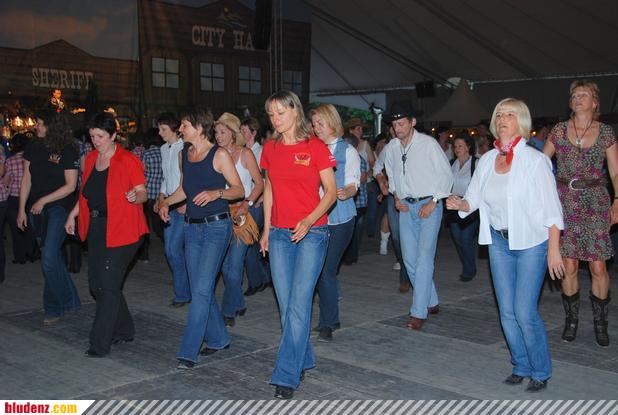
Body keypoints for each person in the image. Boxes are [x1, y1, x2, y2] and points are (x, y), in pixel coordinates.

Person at [447, 97, 564, 392]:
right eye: (499, 114)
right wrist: (460, 203)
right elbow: (473, 198)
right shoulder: (487, 160)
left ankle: (540, 369)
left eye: (509, 114)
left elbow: (552, 210)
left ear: (521, 121)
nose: (502, 119)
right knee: (507, 311)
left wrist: (553, 250)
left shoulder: (535, 161)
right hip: (498, 243)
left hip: (531, 243)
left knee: (524, 311)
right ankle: (520, 364)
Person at [260, 90, 336, 399]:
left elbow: (330, 192)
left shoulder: (315, 147)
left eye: (280, 113)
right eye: (271, 114)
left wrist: (308, 220)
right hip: (279, 234)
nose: (275, 119)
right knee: (286, 307)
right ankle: (302, 358)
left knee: (299, 305)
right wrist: (266, 229)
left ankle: (286, 375)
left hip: (312, 234)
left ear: (295, 112)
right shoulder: (270, 148)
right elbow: (269, 188)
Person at [158, 108, 243, 369]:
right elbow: (185, 188)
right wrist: (166, 202)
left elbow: (238, 189)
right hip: (191, 228)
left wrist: (217, 193)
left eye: (184, 125)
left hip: (217, 227)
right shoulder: (184, 154)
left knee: (202, 290)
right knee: (200, 289)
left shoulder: (219, 155)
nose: (180, 130)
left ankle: (188, 351)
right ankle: (218, 338)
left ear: (199, 127)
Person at [64, 111, 149, 357]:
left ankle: (99, 343)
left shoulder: (128, 160)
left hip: (125, 229)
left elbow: (143, 192)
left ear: (113, 135)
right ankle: (124, 328)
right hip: (97, 228)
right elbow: (86, 194)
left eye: (100, 136)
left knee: (108, 285)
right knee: (97, 285)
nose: (96, 141)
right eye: (92, 136)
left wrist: (135, 196)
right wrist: (72, 215)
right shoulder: (90, 159)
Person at [543, 80, 618, 347]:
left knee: (598, 266)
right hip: (564, 202)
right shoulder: (559, 130)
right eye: (575, 95)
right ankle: (571, 320)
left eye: (584, 95)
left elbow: (615, 171)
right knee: (569, 264)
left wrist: (617, 201)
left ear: (595, 102)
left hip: (596, 202)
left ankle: (600, 322)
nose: (578, 98)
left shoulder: (605, 132)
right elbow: (541, 163)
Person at [383, 101, 453, 331]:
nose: (397, 128)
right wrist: (396, 197)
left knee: (424, 259)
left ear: (412, 122)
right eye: (394, 124)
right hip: (406, 207)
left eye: (401, 123)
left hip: (428, 205)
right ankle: (431, 300)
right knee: (410, 261)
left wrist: (434, 201)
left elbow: (446, 174)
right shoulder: (392, 147)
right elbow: (391, 173)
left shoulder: (428, 144)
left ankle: (418, 312)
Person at [18, 110, 80, 326]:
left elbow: (71, 186)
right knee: (52, 259)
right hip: (36, 210)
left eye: (40, 123)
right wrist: (21, 209)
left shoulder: (67, 150)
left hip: (59, 209)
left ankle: (57, 305)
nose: (36, 126)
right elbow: (26, 179)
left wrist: (43, 201)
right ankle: (67, 301)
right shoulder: (32, 148)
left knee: (49, 258)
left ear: (52, 126)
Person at [310, 104, 360, 342]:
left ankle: (327, 322)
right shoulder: (311, 148)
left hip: (340, 219)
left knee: (325, 270)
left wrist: (346, 192)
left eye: (320, 123)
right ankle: (332, 317)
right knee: (319, 270)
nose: (316, 128)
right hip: (315, 218)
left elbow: (353, 183)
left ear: (332, 123)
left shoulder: (347, 151)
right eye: (314, 124)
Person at [214, 112, 264, 326]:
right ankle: (238, 303)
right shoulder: (215, 155)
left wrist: (247, 203)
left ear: (233, 133)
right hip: (220, 214)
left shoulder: (245, 153)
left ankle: (228, 312)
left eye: (222, 132)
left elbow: (260, 183)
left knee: (233, 267)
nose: (218, 136)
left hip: (242, 214)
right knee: (224, 267)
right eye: (216, 132)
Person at [156, 112, 190, 308]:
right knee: (170, 250)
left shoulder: (184, 148)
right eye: (159, 129)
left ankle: (183, 293)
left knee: (174, 249)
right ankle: (184, 289)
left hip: (182, 203)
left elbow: (187, 178)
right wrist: (161, 197)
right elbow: (166, 177)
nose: (160, 133)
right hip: (169, 203)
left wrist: (184, 200)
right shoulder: (163, 149)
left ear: (175, 129)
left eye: (163, 129)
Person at [240, 117, 271, 295]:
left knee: (248, 242)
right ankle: (263, 277)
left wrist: (259, 200)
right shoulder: (241, 151)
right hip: (246, 202)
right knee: (251, 243)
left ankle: (256, 281)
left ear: (253, 133)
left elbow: (266, 179)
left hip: (256, 203)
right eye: (241, 130)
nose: (241, 133)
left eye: (244, 131)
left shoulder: (260, 151)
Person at [447, 133, 479, 282]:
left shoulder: (476, 163)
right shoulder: (451, 163)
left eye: (460, 146)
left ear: (468, 147)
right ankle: (468, 265)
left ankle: (469, 270)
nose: (457, 149)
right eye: (455, 146)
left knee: (465, 238)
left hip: (469, 206)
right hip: (453, 206)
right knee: (457, 239)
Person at [4, 133, 38, 265]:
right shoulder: (32, 158)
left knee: (15, 228)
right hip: (30, 196)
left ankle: (20, 256)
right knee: (31, 225)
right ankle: (32, 253)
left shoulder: (10, 161)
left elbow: (6, 181)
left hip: (14, 197)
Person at [138, 128, 165, 262]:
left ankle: (144, 255)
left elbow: (141, 172)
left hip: (147, 193)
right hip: (161, 194)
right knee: (159, 223)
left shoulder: (147, 153)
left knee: (145, 224)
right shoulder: (164, 152)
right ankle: (168, 245)